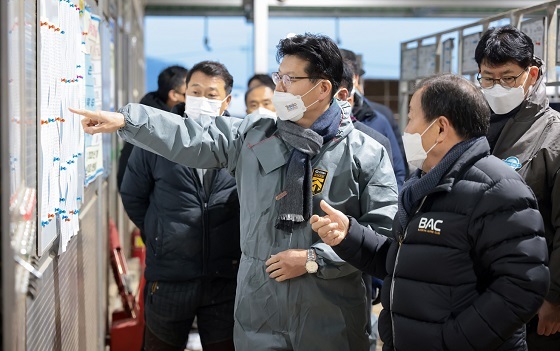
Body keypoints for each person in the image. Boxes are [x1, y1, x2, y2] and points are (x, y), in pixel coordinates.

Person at [71, 33, 398, 350]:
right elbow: (191, 136)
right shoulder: (255, 135)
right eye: (278, 76)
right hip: (260, 313)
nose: (277, 87)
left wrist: (315, 259)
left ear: (322, 88)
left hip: (330, 318)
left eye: (288, 79)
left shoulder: (365, 153)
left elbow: (384, 236)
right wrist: (125, 121)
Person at [311, 74, 550, 351]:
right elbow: (403, 262)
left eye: (412, 118)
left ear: (440, 128)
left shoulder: (498, 188)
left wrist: (451, 341)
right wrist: (349, 235)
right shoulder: (422, 184)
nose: (406, 128)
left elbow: (523, 285)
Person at [120, 61, 240, 351]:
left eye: (211, 95)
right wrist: (159, 234)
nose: (201, 100)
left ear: (226, 101)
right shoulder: (156, 138)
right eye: (195, 91)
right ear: (185, 93)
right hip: (170, 277)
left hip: (226, 278)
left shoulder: (240, 141)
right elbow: (133, 194)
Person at [475, 25, 560, 349]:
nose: (498, 87)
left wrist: (554, 297)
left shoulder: (552, 135)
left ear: (531, 73)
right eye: (488, 77)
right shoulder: (471, 123)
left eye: (509, 78)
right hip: (476, 291)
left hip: (531, 297)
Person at [340, 48, 406, 188]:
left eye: (346, 76)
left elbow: (398, 171)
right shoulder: (313, 121)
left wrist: (387, 206)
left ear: (356, 78)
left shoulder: (379, 118)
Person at [116, 65, 188, 190]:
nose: (195, 98)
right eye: (190, 93)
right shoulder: (152, 125)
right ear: (174, 95)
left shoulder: (149, 114)